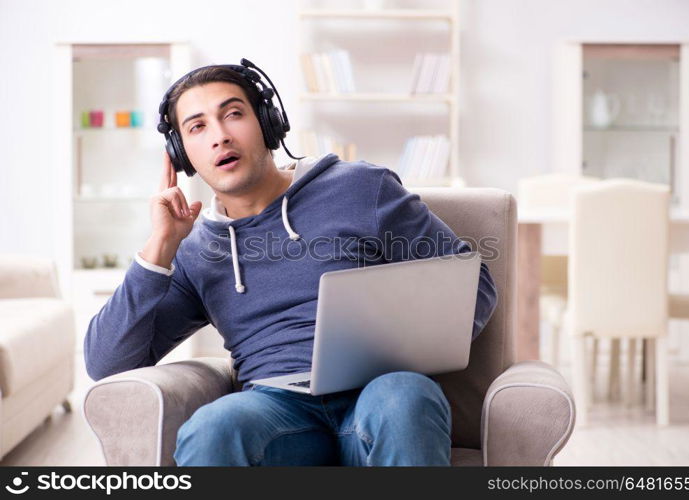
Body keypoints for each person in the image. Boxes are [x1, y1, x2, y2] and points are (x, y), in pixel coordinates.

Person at [83, 60, 498, 466]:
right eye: (198, 127)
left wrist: (409, 350)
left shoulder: (361, 188)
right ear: (181, 154)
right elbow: (108, 363)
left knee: (404, 396)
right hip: (276, 413)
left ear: (267, 122)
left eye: (233, 114)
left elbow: (471, 285)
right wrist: (159, 247)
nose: (220, 136)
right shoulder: (191, 250)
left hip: (377, 393)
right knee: (212, 427)